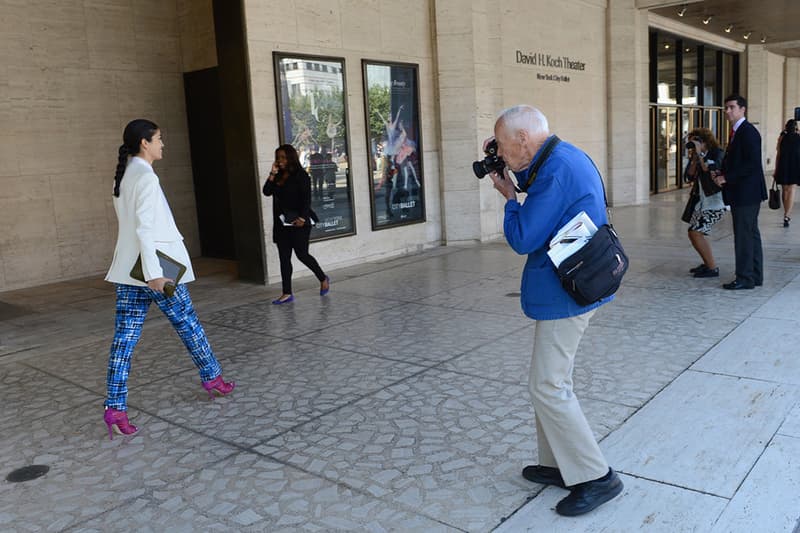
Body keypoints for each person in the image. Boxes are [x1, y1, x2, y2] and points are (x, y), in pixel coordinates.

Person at [485, 105, 623, 517]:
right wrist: (512, 172)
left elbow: (524, 236)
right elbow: (540, 185)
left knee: (548, 385)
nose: (504, 157)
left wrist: (510, 197)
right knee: (548, 382)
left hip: (570, 293)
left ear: (523, 140)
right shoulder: (562, 157)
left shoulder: (558, 170)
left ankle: (597, 477)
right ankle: (559, 464)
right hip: (574, 283)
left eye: (506, 148)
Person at [103, 119, 235, 440]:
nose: (163, 144)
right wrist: (155, 275)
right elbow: (146, 230)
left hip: (128, 271)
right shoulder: (145, 178)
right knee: (189, 325)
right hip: (156, 271)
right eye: (159, 139)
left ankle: (115, 407)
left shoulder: (125, 174)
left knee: (124, 342)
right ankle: (213, 378)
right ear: (144, 143)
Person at [262, 143, 330, 304]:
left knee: (302, 255)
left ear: (291, 158)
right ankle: (287, 293)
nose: (280, 161)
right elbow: (266, 191)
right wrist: (272, 173)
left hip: (299, 222)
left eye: (283, 157)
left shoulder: (301, 176)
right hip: (281, 223)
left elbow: (306, 200)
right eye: (278, 158)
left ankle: (322, 277)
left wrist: (302, 218)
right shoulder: (277, 176)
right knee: (284, 258)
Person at [712, 95, 767, 290]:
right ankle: (755, 275)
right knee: (751, 234)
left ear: (742, 109)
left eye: (731, 107)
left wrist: (726, 178)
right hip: (745, 192)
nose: (727, 111)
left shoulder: (747, 132)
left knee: (744, 235)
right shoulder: (739, 132)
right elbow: (740, 161)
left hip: (746, 193)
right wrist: (723, 172)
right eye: (726, 107)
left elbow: (752, 165)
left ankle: (745, 278)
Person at [683, 128, 726, 278]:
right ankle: (708, 264)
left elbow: (712, 171)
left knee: (695, 232)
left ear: (705, 141)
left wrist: (701, 154)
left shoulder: (717, 153)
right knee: (694, 232)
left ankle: (712, 267)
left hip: (717, 201)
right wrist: (694, 158)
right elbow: (688, 176)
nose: (693, 145)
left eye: (696, 141)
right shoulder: (697, 155)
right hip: (703, 200)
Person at [774, 119, 800, 227]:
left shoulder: (782, 138)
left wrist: (776, 169)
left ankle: (786, 212)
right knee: (792, 189)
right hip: (795, 165)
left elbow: (778, 154)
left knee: (785, 190)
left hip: (783, 165)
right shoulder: (799, 138)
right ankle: (787, 215)